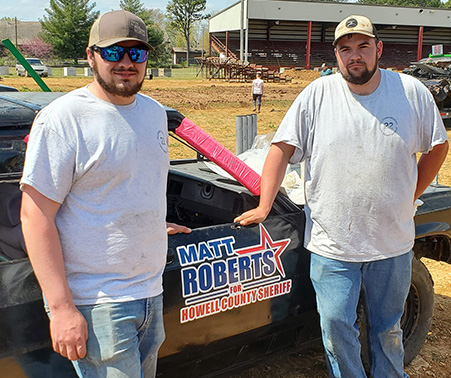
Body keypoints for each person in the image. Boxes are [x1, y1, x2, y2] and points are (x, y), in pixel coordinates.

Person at [235, 14, 449, 378]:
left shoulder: (410, 93)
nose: (355, 55)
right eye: (345, 48)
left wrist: (410, 192)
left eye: (363, 46)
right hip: (333, 246)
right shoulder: (317, 95)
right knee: (336, 328)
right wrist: (264, 205)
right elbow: (280, 149)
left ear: (378, 49)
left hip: (392, 245)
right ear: (336, 54)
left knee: (387, 330)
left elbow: (438, 146)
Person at [20, 10, 190, 378]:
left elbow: (128, 184)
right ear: (90, 56)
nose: (126, 63)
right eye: (113, 53)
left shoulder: (154, 113)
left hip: (149, 290)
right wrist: (62, 308)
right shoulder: (64, 119)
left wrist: (148, 224)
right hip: (98, 304)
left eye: (137, 53)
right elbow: (34, 216)